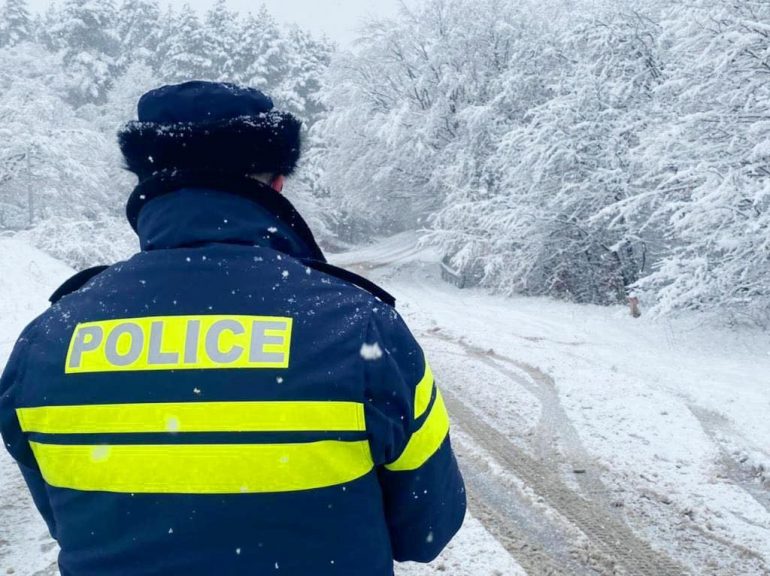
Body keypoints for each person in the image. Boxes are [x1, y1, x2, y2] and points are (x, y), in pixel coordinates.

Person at [0, 81, 466, 576]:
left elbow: (65, 517)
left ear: (146, 180)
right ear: (277, 183)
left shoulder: (48, 339)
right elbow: (427, 530)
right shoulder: (361, 326)